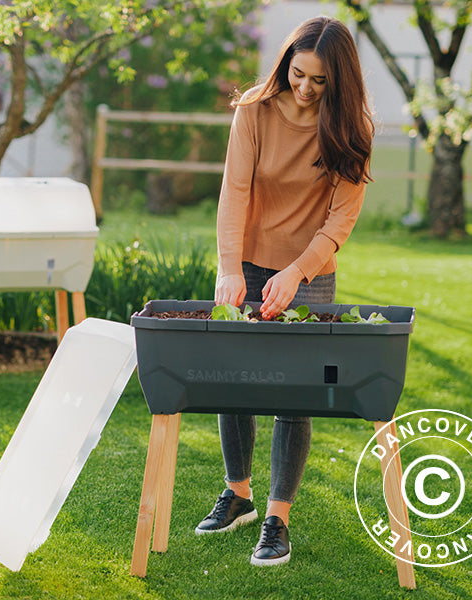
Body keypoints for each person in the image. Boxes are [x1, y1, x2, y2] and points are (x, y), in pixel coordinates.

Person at [195, 16, 374, 566]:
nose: (304, 88)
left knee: (294, 397)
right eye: (298, 73)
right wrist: (230, 267)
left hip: (310, 271)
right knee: (235, 382)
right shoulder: (254, 110)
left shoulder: (351, 128)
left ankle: (277, 518)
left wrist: (297, 272)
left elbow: (339, 223)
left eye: (319, 81)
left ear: (338, 82)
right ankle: (238, 494)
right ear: (285, 64)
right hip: (246, 263)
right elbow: (235, 192)